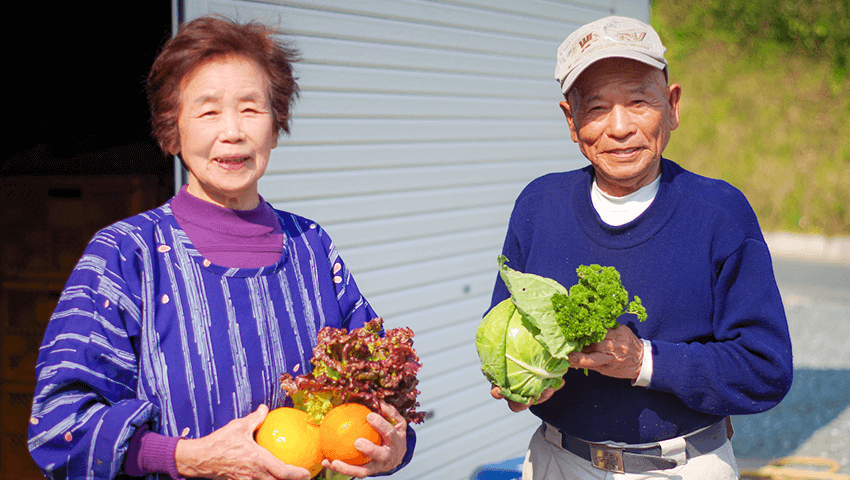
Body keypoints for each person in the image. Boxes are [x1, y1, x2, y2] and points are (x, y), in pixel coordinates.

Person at [28, 15, 413, 480]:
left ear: (276, 126)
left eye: (251, 109)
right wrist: (186, 458)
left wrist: (394, 446)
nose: (232, 131)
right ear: (173, 130)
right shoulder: (126, 255)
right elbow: (58, 424)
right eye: (208, 111)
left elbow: (381, 383)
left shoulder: (311, 247)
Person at [488, 15, 793, 479]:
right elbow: (504, 327)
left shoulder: (719, 214)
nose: (620, 127)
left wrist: (644, 360)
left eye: (638, 102)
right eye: (595, 109)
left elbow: (765, 369)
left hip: (682, 466)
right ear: (571, 121)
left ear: (671, 107)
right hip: (557, 461)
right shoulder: (538, 206)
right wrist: (520, 383)